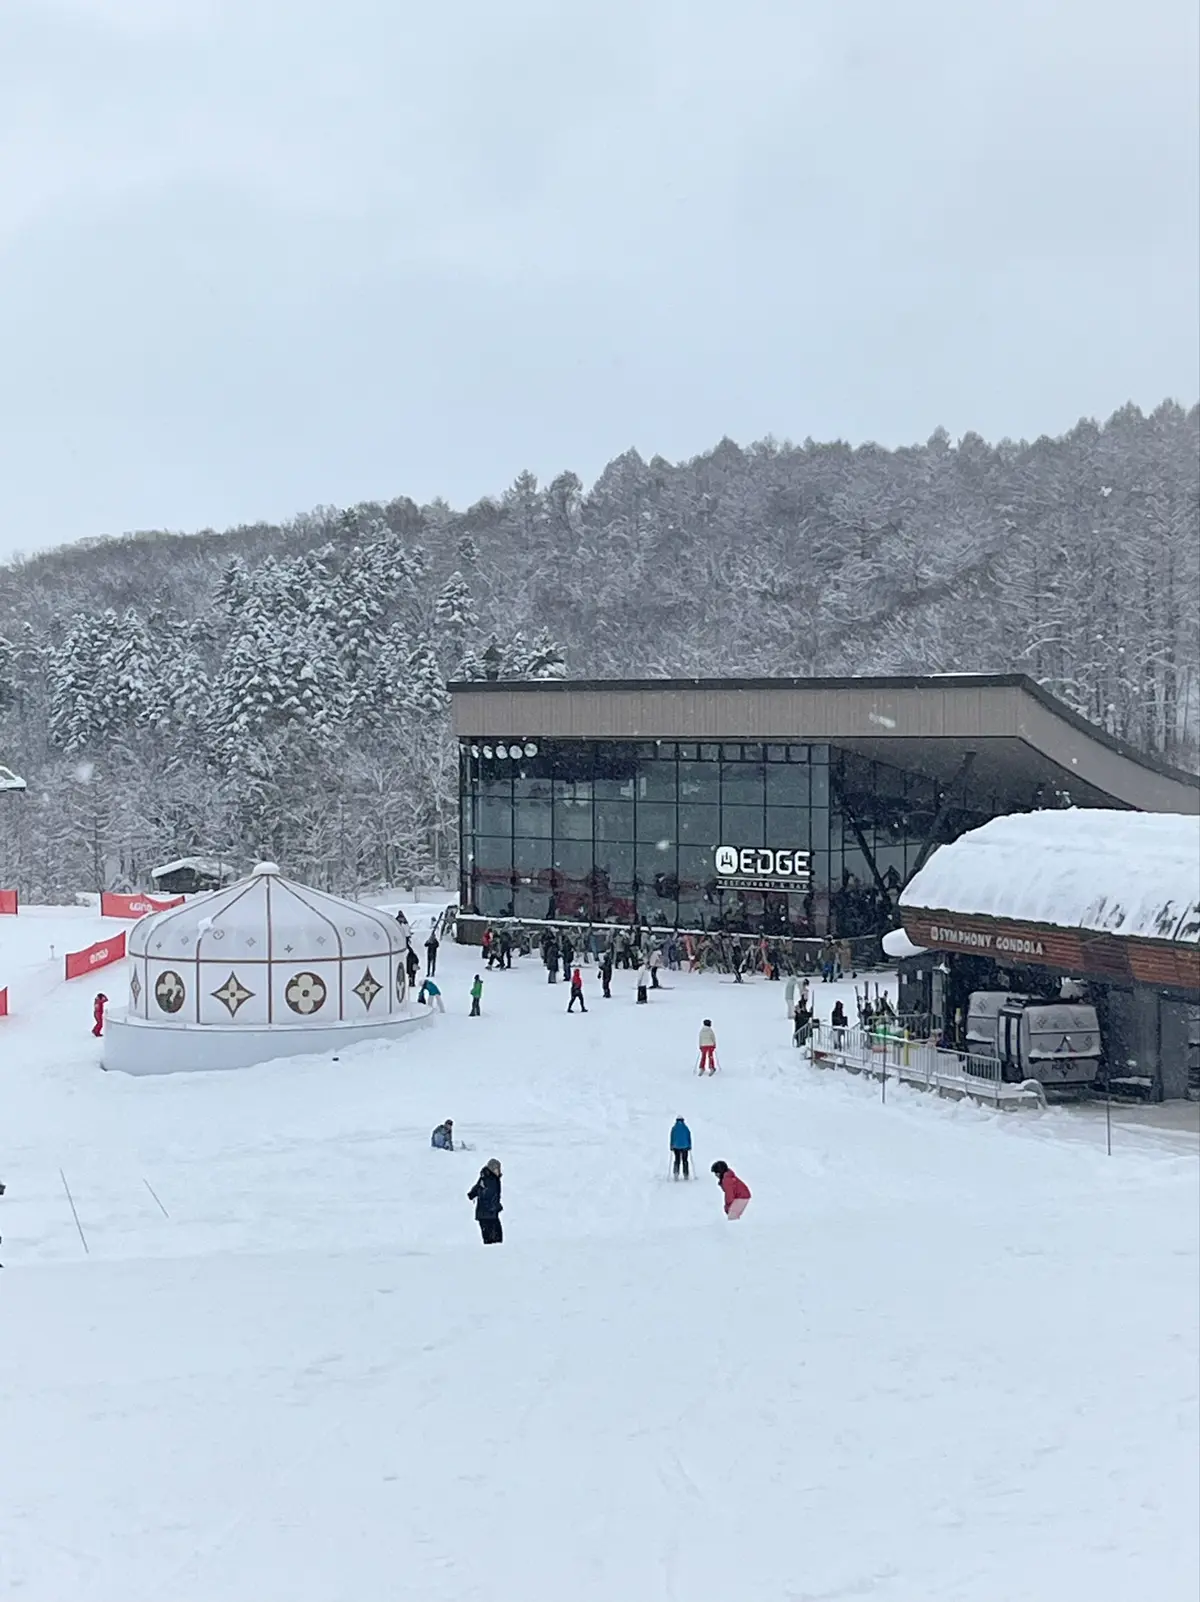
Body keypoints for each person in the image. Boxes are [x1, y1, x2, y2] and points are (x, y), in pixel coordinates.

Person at [467, 1159, 503, 1244]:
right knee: (492, 1239)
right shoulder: (488, 1179)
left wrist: (472, 1193)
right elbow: (486, 1193)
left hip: (491, 1213)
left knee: (497, 1237)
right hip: (486, 1214)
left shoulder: (489, 1178)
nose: (498, 1171)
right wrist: (496, 1206)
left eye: (498, 1169)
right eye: (496, 1169)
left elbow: (479, 1188)